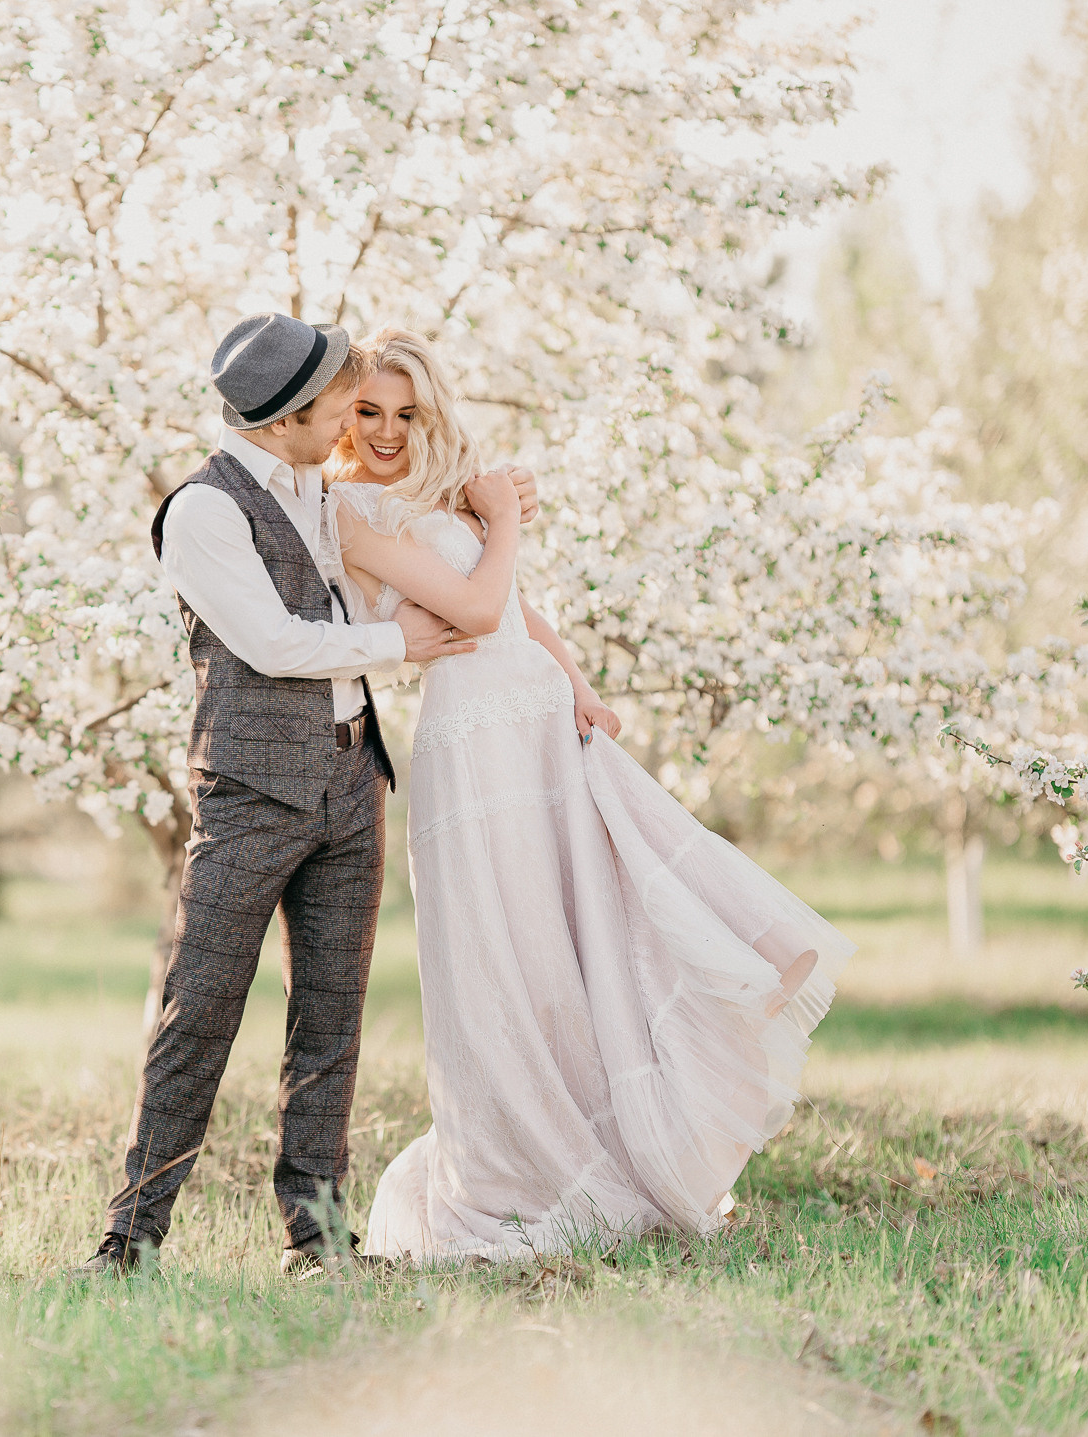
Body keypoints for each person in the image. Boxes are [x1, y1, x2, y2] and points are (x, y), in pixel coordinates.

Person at [328, 328, 855, 1260]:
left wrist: (577, 683)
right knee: (509, 951)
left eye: (406, 412)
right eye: (368, 411)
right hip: (473, 747)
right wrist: (504, 523)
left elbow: (518, 609)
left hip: (534, 722)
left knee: (588, 929)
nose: (385, 430)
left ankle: (626, 1135)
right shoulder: (350, 513)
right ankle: (527, 1164)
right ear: (341, 411)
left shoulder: (440, 496)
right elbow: (479, 608)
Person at [75, 313, 534, 1277]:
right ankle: (130, 1240)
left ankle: (318, 1241)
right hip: (249, 790)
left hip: (350, 775)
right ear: (289, 413)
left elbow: (392, 554)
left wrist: (488, 515)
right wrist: (398, 644)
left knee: (330, 1021)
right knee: (198, 1010)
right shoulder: (203, 511)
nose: (350, 419)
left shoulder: (322, 499)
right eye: (338, 402)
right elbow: (278, 642)